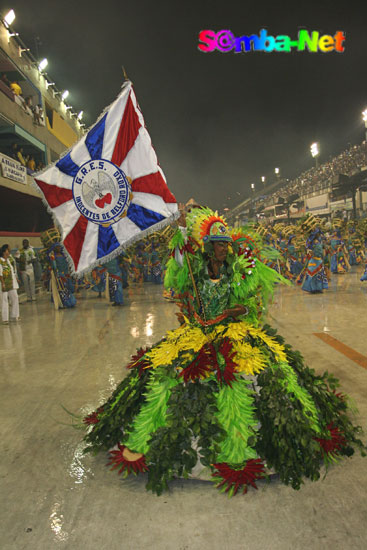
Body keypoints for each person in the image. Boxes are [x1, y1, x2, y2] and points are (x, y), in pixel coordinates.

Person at [80, 207, 364, 496]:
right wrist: (180, 229)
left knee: (248, 378)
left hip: (232, 330)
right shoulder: (195, 270)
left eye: (227, 245)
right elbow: (179, 259)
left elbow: (249, 305)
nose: (224, 249)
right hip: (197, 333)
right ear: (208, 247)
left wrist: (236, 309)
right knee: (168, 377)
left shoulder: (236, 271)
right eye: (219, 245)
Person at [0, 244, 20, 324]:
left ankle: (15, 315)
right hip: (4, 283)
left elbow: (12, 271)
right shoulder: (0, 261)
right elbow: (0, 273)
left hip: (12, 283)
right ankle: (5, 319)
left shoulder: (8, 260)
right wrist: (3, 283)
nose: (10, 252)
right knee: (4, 300)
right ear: (4, 251)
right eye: (8, 250)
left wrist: (16, 278)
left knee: (15, 297)